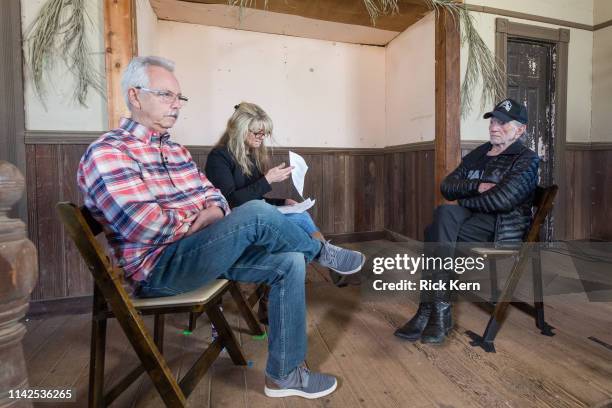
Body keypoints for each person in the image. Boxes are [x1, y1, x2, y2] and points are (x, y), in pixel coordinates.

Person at [77, 56, 366, 399]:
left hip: (201, 250)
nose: (176, 105)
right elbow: (146, 224)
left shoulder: (175, 151)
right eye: (166, 95)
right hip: (159, 269)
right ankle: (322, 251)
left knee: (289, 260)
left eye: (179, 97)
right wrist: (202, 216)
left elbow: (216, 198)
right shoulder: (109, 152)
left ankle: (284, 375)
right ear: (136, 96)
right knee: (258, 212)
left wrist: (212, 210)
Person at [394, 98, 539, 345]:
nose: (494, 127)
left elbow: (502, 201)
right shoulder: (481, 152)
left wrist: (465, 200)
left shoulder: (526, 159)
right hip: (468, 220)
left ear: (521, 129)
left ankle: (429, 310)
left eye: (503, 122)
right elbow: (447, 186)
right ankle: (438, 313)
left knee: (436, 233)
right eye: (493, 120)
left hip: (499, 227)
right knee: (443, 215)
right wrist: (476, 186)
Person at [205, 102, 323, 240]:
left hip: (254, 213)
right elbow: (231, 201)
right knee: (300, 220)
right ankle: (325, 251)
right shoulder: (219, 157)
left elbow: (255, 199)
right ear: (239, 130)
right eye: (257, 132)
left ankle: (323, 251)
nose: (261, 137)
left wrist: (283, 202)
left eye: (264, 133)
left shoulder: (250, 156)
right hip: (233, 221)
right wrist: (267, 180)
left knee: (301, 215)